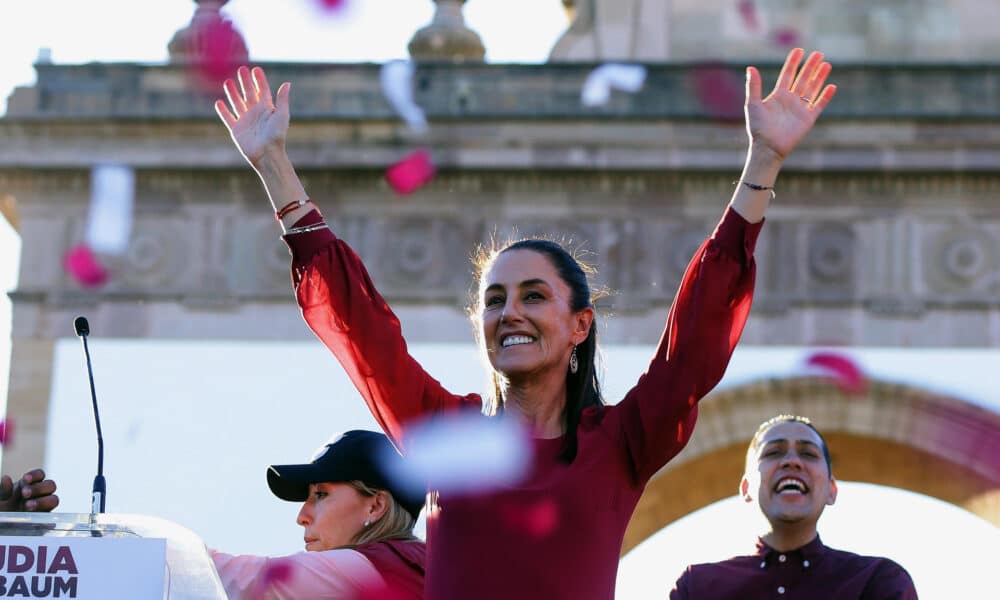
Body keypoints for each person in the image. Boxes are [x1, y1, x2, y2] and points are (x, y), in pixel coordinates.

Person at [214, 47, 837, 598]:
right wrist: (274, 167)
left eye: (534, 296)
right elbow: (362, 335)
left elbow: (695, 341)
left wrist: (762, 167)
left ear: (579, 326)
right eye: (494, 300)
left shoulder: (620, 445)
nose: (508, 312)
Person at [670, 415, 918, 599]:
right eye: (773, 452)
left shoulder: (877, 582)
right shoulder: (698, 587)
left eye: (808, 454)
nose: (791, 461)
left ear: (832, 490)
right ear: (746, 489)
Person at [210, 429, 425, 599]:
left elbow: (234, 580)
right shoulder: (418, 564)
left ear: (375, 506)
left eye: (321, 494)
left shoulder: (368, 568)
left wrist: (178, 549)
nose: (302, 517)